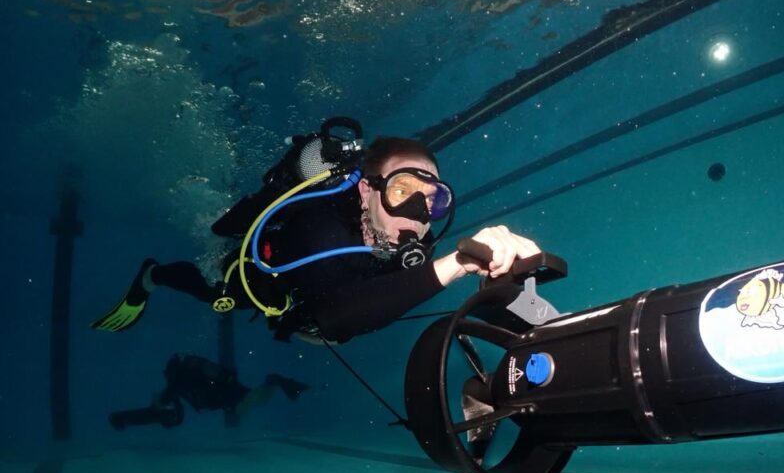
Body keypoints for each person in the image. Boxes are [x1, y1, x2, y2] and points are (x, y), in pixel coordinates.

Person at [90, 118, 541, 343]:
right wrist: (456, 264)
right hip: (264, 277)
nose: (418, 211)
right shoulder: (320, 227)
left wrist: (520, 296)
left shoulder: (416, 238)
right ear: (366, 190)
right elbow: (335, 316)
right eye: (403, 190)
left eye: (433, 198)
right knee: (216, 294)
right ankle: (151, 275)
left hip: (319, 307)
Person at [108, 353, 309, 430]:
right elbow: (171, 408)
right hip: (226, 393)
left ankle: (275, 381)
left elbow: (166, 405)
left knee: (249, 403)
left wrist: (129, 418)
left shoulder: (179, 380)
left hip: (225, 394)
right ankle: (275, 381)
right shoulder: (182, 379)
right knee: (254, 400)